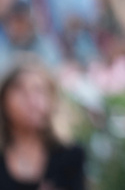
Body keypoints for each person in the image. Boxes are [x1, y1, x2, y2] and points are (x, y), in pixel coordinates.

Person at [0, 58, 85, 190]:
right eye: (20, 90)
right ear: (3, 99)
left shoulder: (70, 154)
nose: (32, 100)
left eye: (39, 90)